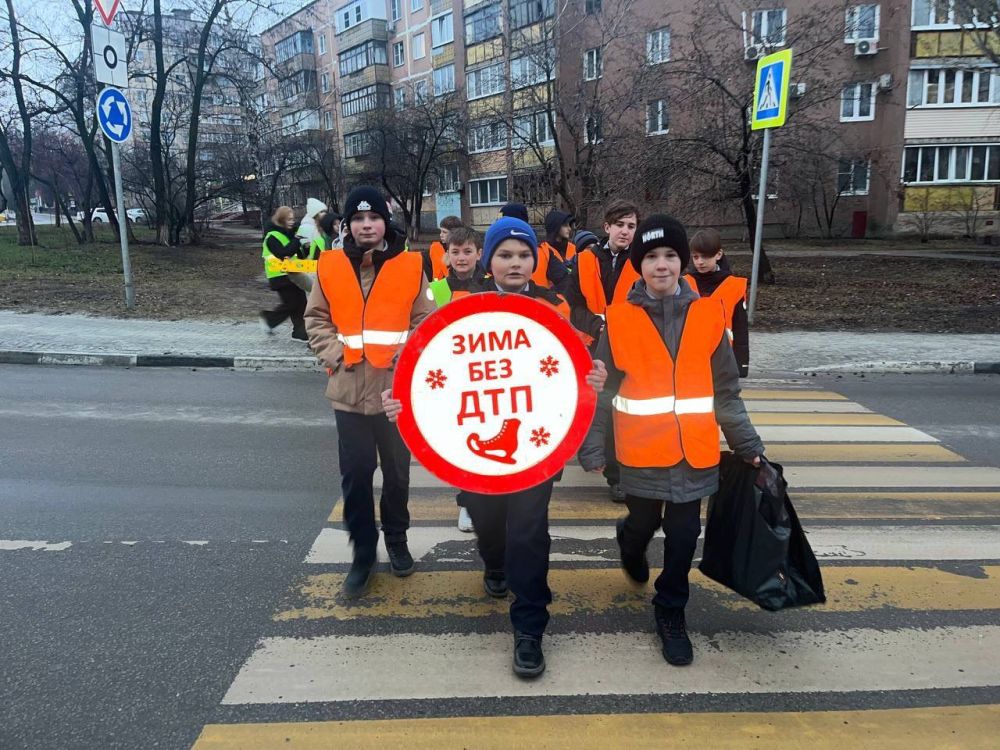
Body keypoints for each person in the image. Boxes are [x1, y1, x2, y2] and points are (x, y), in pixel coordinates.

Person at [383, 215, 607, 679]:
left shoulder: (555, 306)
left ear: (534, 259)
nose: (516, 263)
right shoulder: (467, 307)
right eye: (505, 254)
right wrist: (401, 399)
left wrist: (594, 377)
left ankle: (529, 628)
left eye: (524, 254)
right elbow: (425, 360)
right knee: (488, 523)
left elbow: (577, 363)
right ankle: (493, 559)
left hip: (536, 448)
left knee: (529, 533)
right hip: (475, 450)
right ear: (490, 260)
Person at [578, 214, 764, 668]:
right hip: (640, 453)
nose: (662, 265)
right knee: (643, 523)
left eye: (671, 256)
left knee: (683, 535)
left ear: (683, 262)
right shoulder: (619, 320)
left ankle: (670, 609)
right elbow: (602, 390)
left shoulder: (707, 314)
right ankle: (629, 539)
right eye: (652, 257)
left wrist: (747, 444)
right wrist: (593, 446)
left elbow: (726, 391)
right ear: (639, 266)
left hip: (694, 454)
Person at [305, 186, 435, 598]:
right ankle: (363, 554)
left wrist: (406, 355)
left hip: (395, 395)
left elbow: (425, 323)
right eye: (358, 219)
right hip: (347, 391)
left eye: (373, 218)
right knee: (356, 476)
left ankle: (396, 539)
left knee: (397, 473)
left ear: (385, 222)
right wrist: (336, 353)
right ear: (346, 225)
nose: (366, 225)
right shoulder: (328, 266)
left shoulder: (412, 266)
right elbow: (315, 319)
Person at [565, 200, 641, 503]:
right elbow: (572, 304)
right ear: (606, 226)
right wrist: (596, 325)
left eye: (631, 226)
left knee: (624, 412)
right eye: (620, 225)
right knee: (598, 409)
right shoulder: (584, 260)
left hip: (631, 347)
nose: (625, 231)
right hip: (594, 344)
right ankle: (604, 464)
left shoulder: (641, 260)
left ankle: (621, 475)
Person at [424, 226, 488, 533]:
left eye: (467, 251)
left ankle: (490, 501)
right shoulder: (435, 291)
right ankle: (467, 505)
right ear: (446, 255)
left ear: (479, 254)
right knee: (464, 449)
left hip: (488, 379)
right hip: (453, 381)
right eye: (455, 251)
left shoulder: (493, 287)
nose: (461, 258)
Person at [684, 229, 750, 378]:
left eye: (705, 256)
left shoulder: (734, 286)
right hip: (690, 358)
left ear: (718, 255)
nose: (700, 261)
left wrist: (742, 364)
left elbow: (740, 329)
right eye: (695, 257)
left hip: (723, 359)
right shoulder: (684, 284)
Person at [260, 205, 309, 341]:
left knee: (301, 303)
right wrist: (297, 240)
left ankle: (300, 332)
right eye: (289, 219)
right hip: (279, 276)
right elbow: (283, 253)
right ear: (281, 220)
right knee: (292, 303)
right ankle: (269, 319)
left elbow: (297, 254)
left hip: (292, 274)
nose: (292, 222)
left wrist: (305, 247)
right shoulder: (272, 237)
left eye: (293, 219)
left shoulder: (287, 235)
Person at [428, 215, 464, 281]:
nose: (440, 235)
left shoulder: (464, 248)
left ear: (455, 233)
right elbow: (439, 274)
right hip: (441, 285)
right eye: (441, 231)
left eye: (444, 232)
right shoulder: (436, 248)